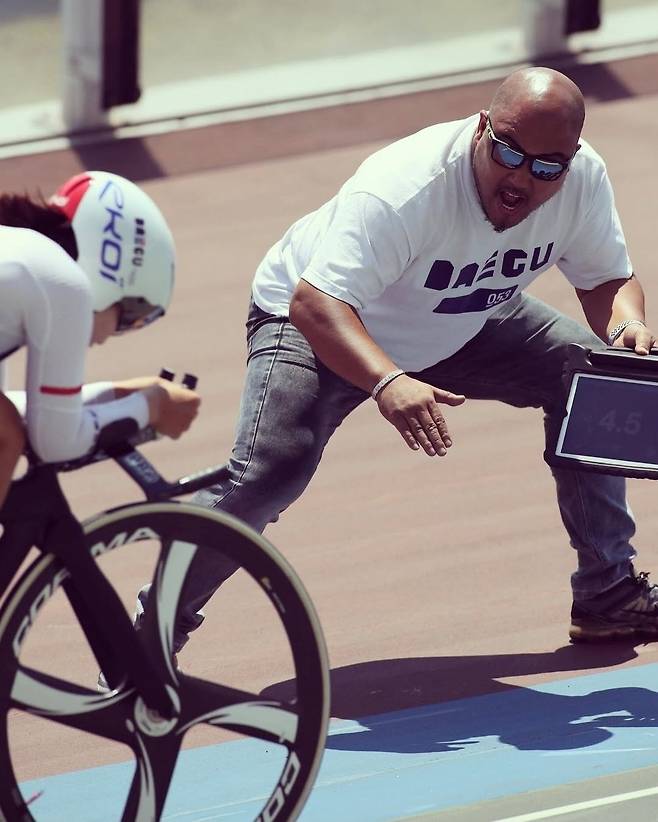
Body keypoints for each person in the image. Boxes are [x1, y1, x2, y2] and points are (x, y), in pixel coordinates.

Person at [146, 65, 658, 652]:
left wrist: (628, 324)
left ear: (569, 159)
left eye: (546, 167)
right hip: (322, 325)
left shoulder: (582, 179)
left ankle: (608, 594)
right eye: (508, 153)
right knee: (270, 471)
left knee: (596, 384)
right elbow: (317, 303)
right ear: (482, 127)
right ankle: (148, 634)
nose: (521, 178)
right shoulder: (407, 187)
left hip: (459, 319)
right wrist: (389, 380)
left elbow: (605, 280)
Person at [0, 170, 200, 508]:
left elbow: (29, 412)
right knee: (6, 437)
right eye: (135, 314)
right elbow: (56, 440)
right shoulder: (65, 286)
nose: (115, 335)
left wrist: (115, 395)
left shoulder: (25, 262)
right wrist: (151, 407)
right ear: (115, 277)